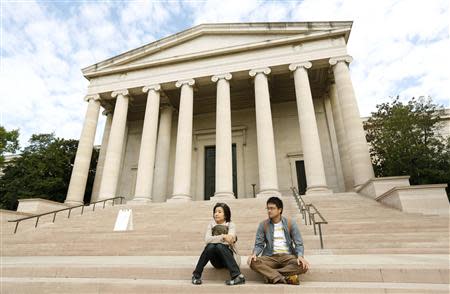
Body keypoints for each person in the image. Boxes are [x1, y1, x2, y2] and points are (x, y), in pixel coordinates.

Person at [247, 196, 310, 285]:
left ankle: (271, 275)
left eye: (272, 208)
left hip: (288, 257)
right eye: (268, 208)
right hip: (270, 257)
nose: (269, 211)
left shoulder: (290, 223)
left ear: (279, 210)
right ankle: (285, 277)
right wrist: (254, 254)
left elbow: (298, 243)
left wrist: (300, 256)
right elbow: (259, 244)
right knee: (252, 262)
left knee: (303, 266)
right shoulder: (263, 225)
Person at [192, 202, 245, 285]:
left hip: (230, 258)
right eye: (215, 212)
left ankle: (237, 276)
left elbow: (230, 240)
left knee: (219, 246)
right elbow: (207, 240)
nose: (216, 214)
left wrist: (216, 239)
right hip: (216, 261)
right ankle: (196, 275)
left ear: (226, 215)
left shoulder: (231, 225)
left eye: (219, 212)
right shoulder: (211, 225)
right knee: (210, 247)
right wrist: (223, 237)